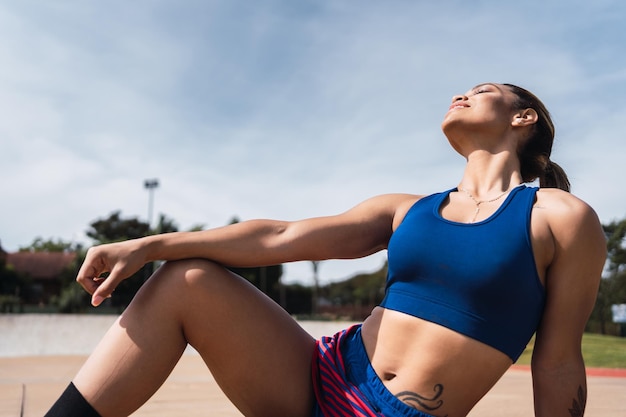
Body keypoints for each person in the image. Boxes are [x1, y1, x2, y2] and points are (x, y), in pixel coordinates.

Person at [45, 82, 606, 417]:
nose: (462, 93)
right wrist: (150, 244)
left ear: (522, 117)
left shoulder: (559, 217)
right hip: (319, 371)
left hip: (403, 409)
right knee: (184, 278)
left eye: (484, 91)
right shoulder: (407, 208)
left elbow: (557, 361)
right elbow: (282, 236)